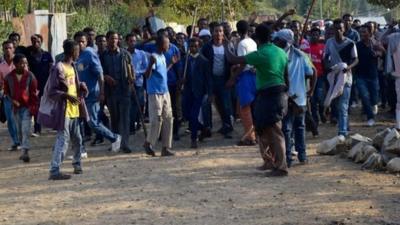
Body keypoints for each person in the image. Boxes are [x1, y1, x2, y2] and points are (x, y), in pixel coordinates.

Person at [225, 23, 290, 177]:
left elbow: (233, 59)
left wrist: (227, 43)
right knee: (263, 129)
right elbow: (286, 76)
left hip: (269, 95)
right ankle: (270, 162)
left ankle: (281, 167)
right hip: (278, 93)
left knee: (273, 130)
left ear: (258, 39)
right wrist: (287, 94)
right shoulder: (280, 52)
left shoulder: (260, 54)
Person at [38, 40, 88, 180]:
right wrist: (67, 96)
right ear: (72, 52)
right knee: (63, 140)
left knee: (77, 139)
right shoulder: (58, 68)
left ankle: (77, 164)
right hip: (63, 111)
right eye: (77, 51)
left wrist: (81, 87)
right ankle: (54, 170)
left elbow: (74, 86)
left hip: (74, 110)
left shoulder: (73, 67)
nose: (79, 53)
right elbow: (52, 91)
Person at [273, 29, 316, 167]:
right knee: (299, 127)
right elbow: (311, 72)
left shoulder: (279, 56)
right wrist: (309, 91)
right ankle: (300, 156)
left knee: (288, 128)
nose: (275, 42)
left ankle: (289, 157)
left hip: (288, 98)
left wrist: (310, 91)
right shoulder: (301, 55)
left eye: (277, 40)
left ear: (283, 41)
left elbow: (312, 72)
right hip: (299, 98)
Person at [74, 31, 122, 153]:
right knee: (78, 123)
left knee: (93, 123)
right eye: (78, 41)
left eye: (82, 41)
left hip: (92, 94)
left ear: (86, 42)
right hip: (79, 95)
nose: (80, 44)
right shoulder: (75, 55)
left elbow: (100, 74)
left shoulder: (89, 54)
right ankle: (81, 150)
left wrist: (101, 92)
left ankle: (114, 137)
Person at [101, 31, 135, 153]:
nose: (114, 41)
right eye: (111, 38)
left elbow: (132, 69)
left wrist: (132, 80)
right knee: (114, 119)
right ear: (107, 39)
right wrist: (106, 77)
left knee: (125, 118)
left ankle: (125, 144)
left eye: (116, 38)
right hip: (111, 92)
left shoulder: (125, 54)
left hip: (124, 90)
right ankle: (115, 142)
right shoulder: (103, 55)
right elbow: (99, 72)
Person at [324, 19, 359, 137]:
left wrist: (348, 67)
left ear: (344, 29)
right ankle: (345, 125)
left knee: (343, 105)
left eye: (340, 28)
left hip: (346, 77)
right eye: (336, 28)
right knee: (336, 104)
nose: (338, 30)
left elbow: (356, 59)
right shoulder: (329, 42)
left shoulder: (350, 43)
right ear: (333, 30)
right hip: (334, 77)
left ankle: (342, 131)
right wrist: (329, 66)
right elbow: (325, 57)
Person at [226, 20, 257, 146]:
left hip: (245, 76)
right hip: (254, 75)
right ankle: (254, 134)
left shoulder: (242, 43)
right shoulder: (252, 42)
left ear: (238, 31)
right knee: (251, 107)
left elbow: (243, 62)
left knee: (244, 108)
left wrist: (233, 77)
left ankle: (250, 137)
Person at [143, 35, 174, 157]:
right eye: (167, 43)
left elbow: (162, 72)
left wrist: (171, 63)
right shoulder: (154, 57)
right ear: (161, 45)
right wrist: (150, 64)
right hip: (155, 93)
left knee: (168, 119)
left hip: (165, 92)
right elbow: (147, 75)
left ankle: (166, 147)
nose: (169, 46)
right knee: (157, 120)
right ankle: (149, 143)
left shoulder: (162, 57)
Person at [3, 54, 38, 163]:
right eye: (22, 63)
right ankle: (23, 148)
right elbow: (6, 93)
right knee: (19, 130)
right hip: (15, 108)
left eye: (26, 63)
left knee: (25, 129)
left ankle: (25, 151)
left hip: (27, 107)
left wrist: (33, 107)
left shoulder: (30, 76)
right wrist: (12, 101)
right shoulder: (8, 77)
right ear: (16, 64)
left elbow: (34, 93)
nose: (24, 65)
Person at [201, 23, 234, 139]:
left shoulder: (228, 46)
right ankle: (207, 127)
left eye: (220, 31)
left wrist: (231, 78)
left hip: (224, 80)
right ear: (212, 33)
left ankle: (227, 127)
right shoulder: (207, 47)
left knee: (225, 104)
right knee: (206, 102)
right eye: (216, 31)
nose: (218, 33)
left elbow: (233, 63)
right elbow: (202, 62)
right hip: (210, 80)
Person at [182, 38, 212, 149]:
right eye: (191, 46)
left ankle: (193, 139)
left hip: (199, 92)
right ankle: (203, 128)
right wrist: (182, 80)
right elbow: (182, 76)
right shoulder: (185, 60)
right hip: (187, 91)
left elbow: (208, 79)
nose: (193, 48)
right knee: (187, 115)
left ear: (199, 47)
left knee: (194, 115)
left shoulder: (204, 61)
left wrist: (209, 93)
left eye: (195, 46)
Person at [355, 25, 384, 127]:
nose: (362, 34)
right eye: (361, 32)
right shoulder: (357, 45)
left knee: (374, 96)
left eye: (364, 32)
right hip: (360, 76)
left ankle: (374, 103)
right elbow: (353, 58)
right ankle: (370, 117)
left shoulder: (375, 43)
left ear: (370, 33)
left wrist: (379, 53)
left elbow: (383, 53)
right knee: (364, 96)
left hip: (373, 75)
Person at [26, 34, 54, 137]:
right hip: (34, 85)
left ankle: (52, 124)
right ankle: (37, 128)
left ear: (41, 42)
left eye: (37, 41)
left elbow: (51, 69)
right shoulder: (29, 56)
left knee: (49, 105)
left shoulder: (47, 55)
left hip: (46, 84)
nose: (35, 43)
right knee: (36, 106)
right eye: (33, 41)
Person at [126, 33, 148, 134]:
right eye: (130, 41)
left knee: (139, 104)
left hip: (138, 83)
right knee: (129, 105)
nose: (132, 43)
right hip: (127, 83)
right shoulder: (124, 54)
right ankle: (131, 126)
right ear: (127, 42)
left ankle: (137, 122)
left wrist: (136, 74)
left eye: (134, 41)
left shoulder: (141, 54)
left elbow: (146, 68)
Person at [0, 40, 20, 151]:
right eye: (6, 48)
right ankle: (15, 141)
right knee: (10, 120)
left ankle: (22, 140)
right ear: (3, 50)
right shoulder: (1, 66)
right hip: (8, 96)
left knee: (20, 119)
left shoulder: (20, 62)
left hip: (21, 96)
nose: (8, 50)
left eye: (10, 48)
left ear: (14, 49)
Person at [309, 27, 327, 126]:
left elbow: (325, 61)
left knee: (320, 97)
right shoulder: (307, 47)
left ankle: (322, 112)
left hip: (320, 76)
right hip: (309, 77)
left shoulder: (322, 47)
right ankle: (315, 119)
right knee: (313, 100)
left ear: (319, 36)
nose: (315, 37)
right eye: (313, 35)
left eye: (317, 35)